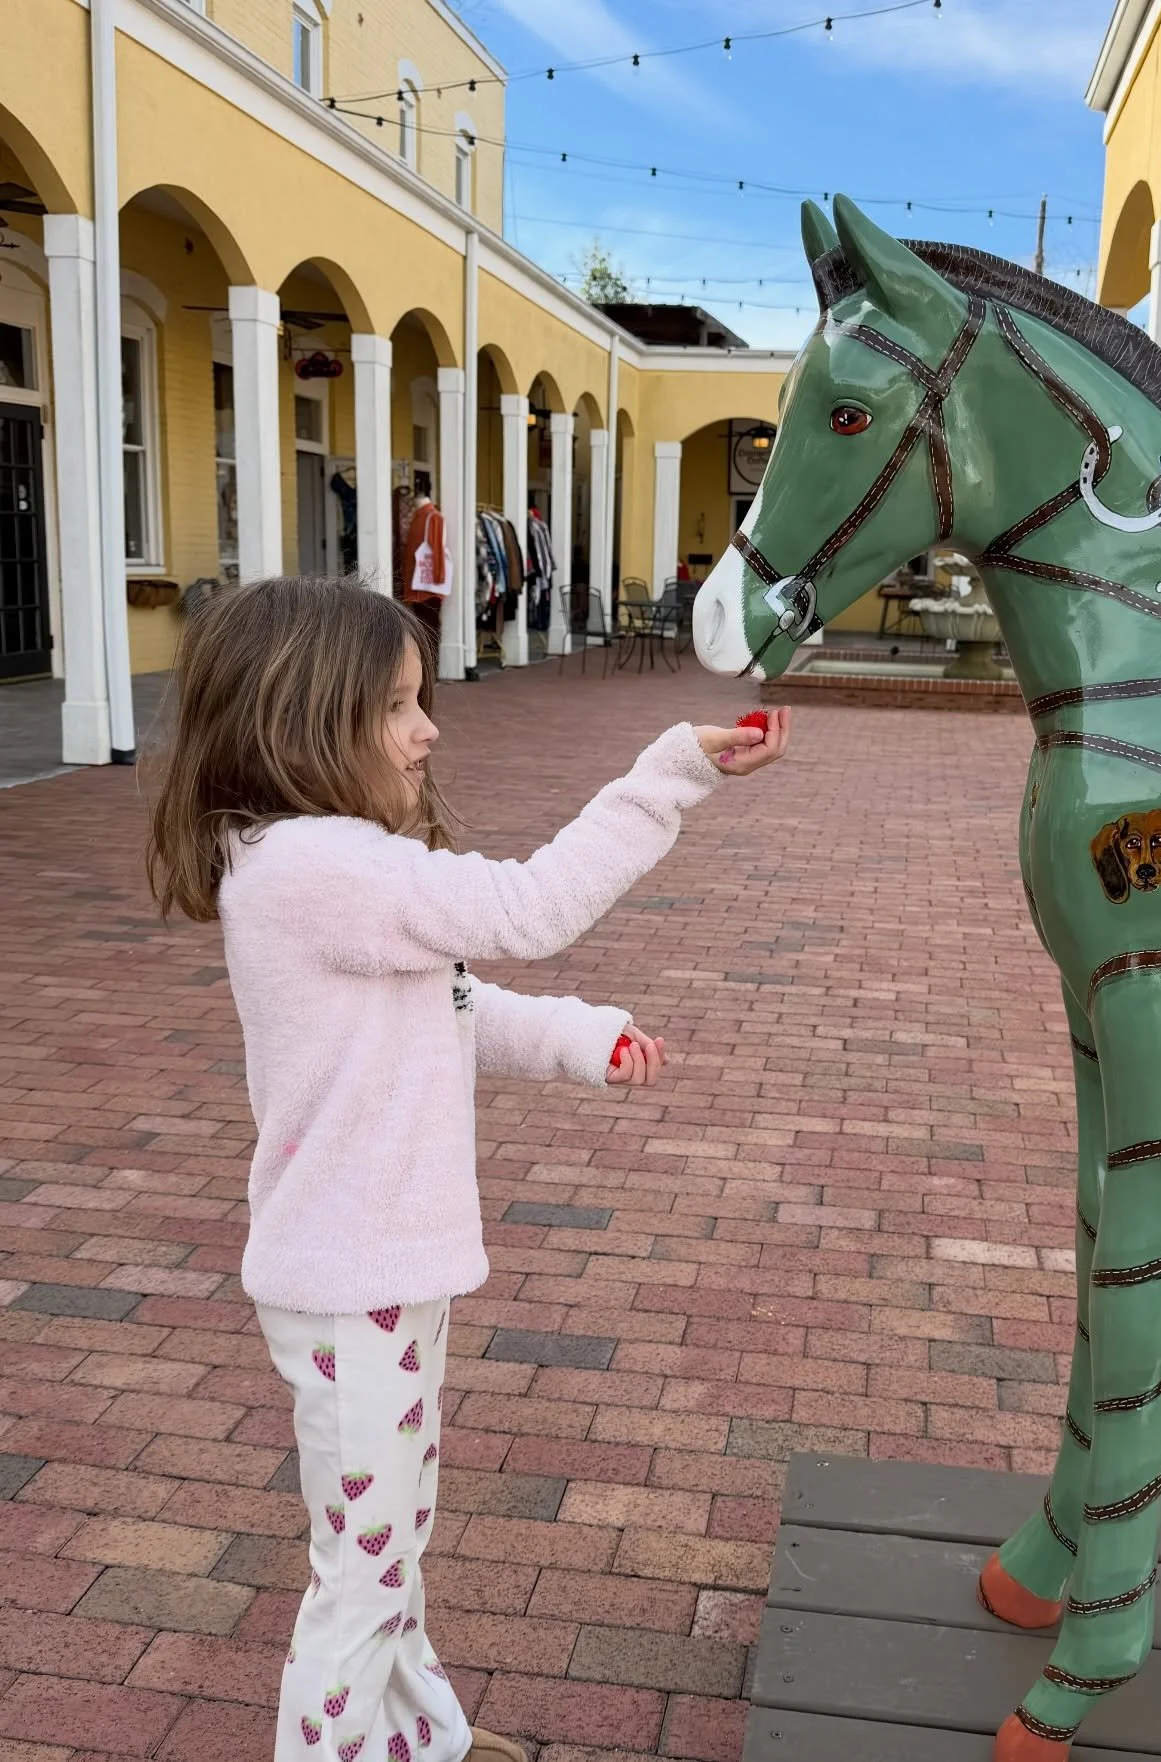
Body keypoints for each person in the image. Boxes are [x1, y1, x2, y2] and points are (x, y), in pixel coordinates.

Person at [145, 577, 790, 1762]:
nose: (428, 727)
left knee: (388, 1541)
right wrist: (666, 773)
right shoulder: (321, 866)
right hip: (355, 1277)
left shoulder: (317, 865)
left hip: (378, 1270)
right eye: (399, 705)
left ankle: (411, 1739)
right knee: (363, 1568)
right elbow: (532, 906)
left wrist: (577, 1039)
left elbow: (449, 1004)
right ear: (305, 718)